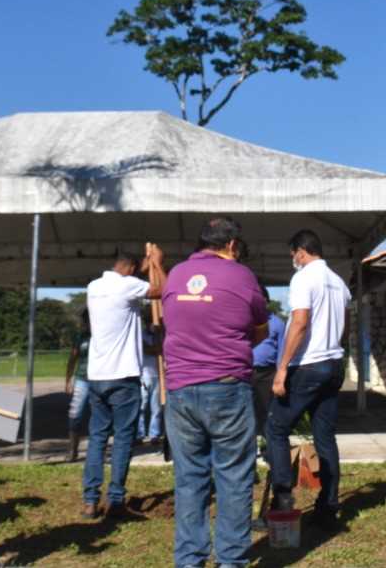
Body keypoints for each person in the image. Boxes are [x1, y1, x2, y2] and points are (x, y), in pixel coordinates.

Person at [162, 217, 269, 568]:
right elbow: (260, 329)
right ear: (232, 245)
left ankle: (190, 560)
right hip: (226, 387)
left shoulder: (175, 275)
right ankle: (230, 560)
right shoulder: (241, 275)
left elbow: (172, 322)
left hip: (180, 391)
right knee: (234, 477)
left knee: (189, 479)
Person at [268, 229, 351, 528]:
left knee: (276, 429)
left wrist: (282, 368)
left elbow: (300, 322)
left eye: (293, 255)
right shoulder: (339, 282)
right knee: (325, 437)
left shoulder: (303, 277)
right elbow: (346, 325)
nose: (294, 260)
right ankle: (328, 506)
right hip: (333, 363)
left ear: (301, 252)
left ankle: (282, 504)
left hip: (308, 365)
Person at [82, 248, 164, 518]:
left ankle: (90, 500)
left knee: (97, 438)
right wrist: (156, 263)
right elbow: (162, 290)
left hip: (97, 375)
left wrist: (142, 268)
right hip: (123, 376)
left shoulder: (94, 286)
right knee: (123, 439)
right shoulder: (128, 285)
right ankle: (116, 499)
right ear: (131, 268)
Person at [250, 285, 286, 455]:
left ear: (266, 301)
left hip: (268, 374)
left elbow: (282, 351)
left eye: (261, 298)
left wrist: (281, 375)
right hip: (246, 372)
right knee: (247, 411)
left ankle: (269, 448)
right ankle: (249, 447)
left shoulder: (277, 323)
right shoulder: (245, 320)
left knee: (268, 411)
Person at [64, 310, 91, 463]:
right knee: (75, 413)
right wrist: (68, 380)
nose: (87, 324)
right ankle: (72, 449)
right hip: (82, 378)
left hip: (99, 378)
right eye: (85, 321)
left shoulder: (102, 336)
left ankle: (96, 449)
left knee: (99, 415)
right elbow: (72, 358)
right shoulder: (80, 338)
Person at [136, 305, 164, 448]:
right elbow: (149, 350)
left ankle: (154, 434)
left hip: (158, 375)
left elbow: (162, 350)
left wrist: (158, 341)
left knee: (156, 407)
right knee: (142, 406)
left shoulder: (160, 336)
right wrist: (157, 348)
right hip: (144, 375)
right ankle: (139, 434)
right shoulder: (140, 335)